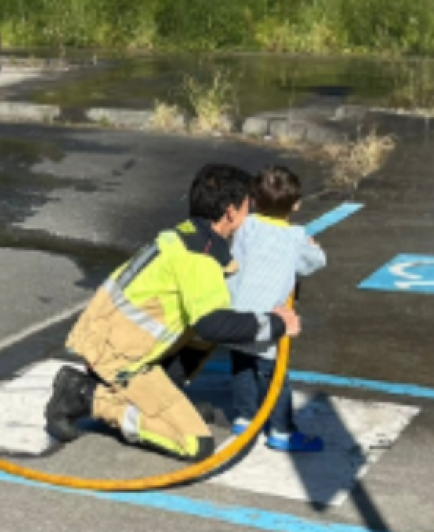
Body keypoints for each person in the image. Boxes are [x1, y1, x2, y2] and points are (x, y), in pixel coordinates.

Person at [43, 163, 301, 462]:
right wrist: (277, 324)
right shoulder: (199, 259)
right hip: (116, 355)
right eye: (247, 208)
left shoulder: (189, 234)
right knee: (195, 443)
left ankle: (165, 396)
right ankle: (88, 397)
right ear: (230, 212)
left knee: (211, 333)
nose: (250, 216)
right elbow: (214, 325)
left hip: (108, 336)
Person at [225, 165, 327, 452]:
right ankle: (281, 431)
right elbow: (315, 262)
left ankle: (245, 416)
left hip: (236, 312)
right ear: (296, 204)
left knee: (242, 364)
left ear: (254, 201)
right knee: (273, 374)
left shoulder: (247, 226)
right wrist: (313, 246)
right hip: (270, 317)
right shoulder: (295, 237)